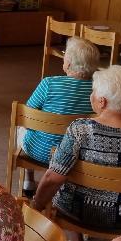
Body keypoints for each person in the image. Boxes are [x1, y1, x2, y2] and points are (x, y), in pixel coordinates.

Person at [32, 65, 121, 232]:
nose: (91, 95)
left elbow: (53, 178)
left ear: (102, 101)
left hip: (79, 211)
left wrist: (36, 205)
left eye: (93, 91)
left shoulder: (80, 129)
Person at [21, 37, 99, 195]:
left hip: (39, 150)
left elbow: (27, 114)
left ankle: (28, 181)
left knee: (21, 127)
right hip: (76, 156)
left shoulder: (49, 83)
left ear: (68, 63)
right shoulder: (97, 90)